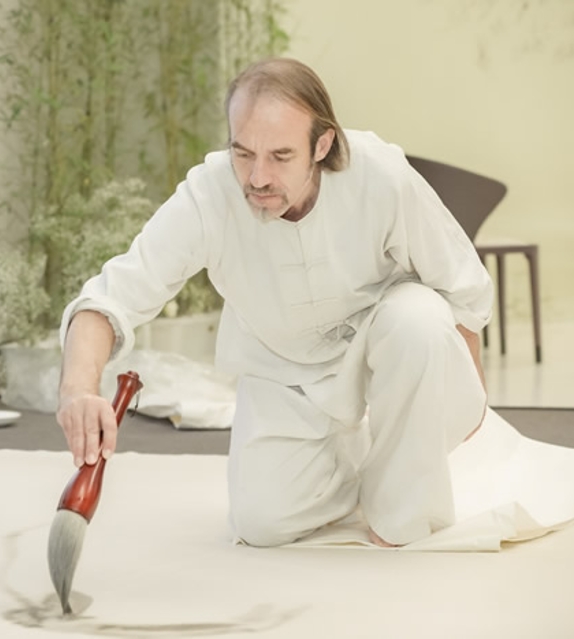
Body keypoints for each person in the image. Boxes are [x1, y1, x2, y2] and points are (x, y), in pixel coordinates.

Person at [57, 57, 492, 548]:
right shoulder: (209, 195)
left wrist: (464, 400)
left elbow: (462, 287)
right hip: (283, 370)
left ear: (322, 145)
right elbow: (110, 297)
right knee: (263, 524)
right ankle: (356, 462)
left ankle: (398, 502)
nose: (258, 177)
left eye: (281, 156)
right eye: (243, 153)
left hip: (387, 344)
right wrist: (77, 390)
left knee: (418, 317)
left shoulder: (381, 174)